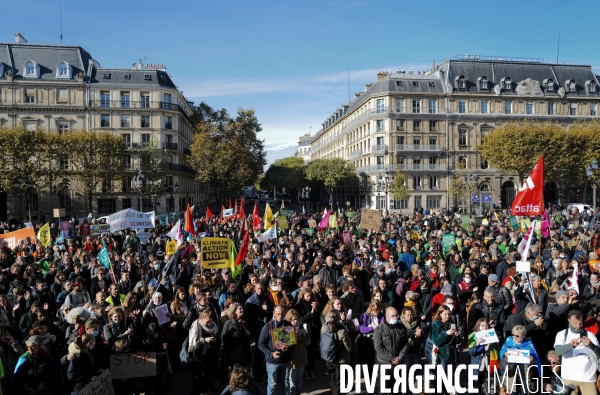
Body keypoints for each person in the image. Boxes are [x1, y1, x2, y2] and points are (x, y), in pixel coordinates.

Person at [553, 310, 600, 394]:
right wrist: (570, 346)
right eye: (575, 323)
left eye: (580, 323)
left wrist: (591, 345)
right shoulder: (562, 334)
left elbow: (599, 354)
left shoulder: (590, 335)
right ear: (569, 321)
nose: (578, 326)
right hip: (569, 378)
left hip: (588, 378)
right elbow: (558, 351)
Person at [258, 305, 292, 395]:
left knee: (286, 384)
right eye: (278, 314)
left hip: (285, 361)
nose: (280, 316)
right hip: (272, 362)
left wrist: (288, 347)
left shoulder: (288, 325)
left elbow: (292, 342)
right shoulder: (268, 326)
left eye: (282, 314)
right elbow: (260, 344)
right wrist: (271, 353)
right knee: (272, 385)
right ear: (273, 313)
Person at [499, 325, 541, 394]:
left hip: (524, 375)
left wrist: (532, 359)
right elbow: (502, 351)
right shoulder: (509, 340)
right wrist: (504, 353)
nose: (514, 337)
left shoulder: (528, 344)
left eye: (517, 336)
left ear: (523, 335)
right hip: (511, 375)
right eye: (513, 335)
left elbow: (536, 360)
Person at [320, 309, 352, 395]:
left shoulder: (324, 327)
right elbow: (349, 348)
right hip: (341, 360)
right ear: (338, 318)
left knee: (333, 380)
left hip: (328, 358)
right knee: (339, 383)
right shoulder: (341, 331)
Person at [187, 309, 219, 395]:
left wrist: (214, 338)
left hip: (208, 351)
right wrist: (204, 340)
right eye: (207, 322)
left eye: (211, 321)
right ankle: (197, 389)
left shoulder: (213, 325)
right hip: (198, 352)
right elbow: (193, 341)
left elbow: (215, 333)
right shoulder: (196, 325)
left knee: (208, 370)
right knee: (197, 372)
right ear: (202, 318)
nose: (209, 324)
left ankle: (208, 385)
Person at [431, 305, 461, 394]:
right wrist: (446, 333)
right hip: (442, 354)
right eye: (445, 314)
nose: (447, 316)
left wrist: (457, 336)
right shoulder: (435, 324)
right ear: (440, 314)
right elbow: (437, 341)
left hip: (452, 354)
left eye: (449, 314)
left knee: (450, 374)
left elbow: (457, 342)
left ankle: (448, 390)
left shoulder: (450, 323)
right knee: (442, 374)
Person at [221, 303, 253, 383]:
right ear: (234, 311)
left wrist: (249, 334)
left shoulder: (246, 321)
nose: (242, 310)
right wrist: (232, 335)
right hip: (234, 353)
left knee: (246, 375)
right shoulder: (228, 323)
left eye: (242, 308)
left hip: (245, 351)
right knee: (235, 375)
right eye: (240, 309)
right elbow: (223, 337)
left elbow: (252, 334)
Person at [468, 318, 500, 393]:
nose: (484, 328)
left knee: (487, 385)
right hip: (477, 363)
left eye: (486, 326)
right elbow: (471, 353)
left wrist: (487, 350)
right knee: (476, 385)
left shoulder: (492, 336)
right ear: (478, 326)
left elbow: (495, 351)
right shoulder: (472, 336)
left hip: (488, 364)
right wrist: (477, 344)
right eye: (482, 326)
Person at [285, 309, 311, 395]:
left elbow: (308, 343)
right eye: (293, 319)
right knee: (291, 382)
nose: (295, 321)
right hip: (292, 360)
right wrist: (296, 334)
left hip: (301, 357)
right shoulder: (286, 329)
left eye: (296, 319)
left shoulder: (301, 327)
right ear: (289, 320)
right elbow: (287, 344)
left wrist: (305, 335)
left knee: (299, 380)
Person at [358, 300, 384, 367]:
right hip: (368, 340)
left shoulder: (382, 316)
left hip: (379, 340)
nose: (377, 312)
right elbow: (362, 329)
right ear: (371, 308)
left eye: (378, 310)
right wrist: (372, 328)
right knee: (369, 359)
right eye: (375, 310)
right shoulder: (365, 316)